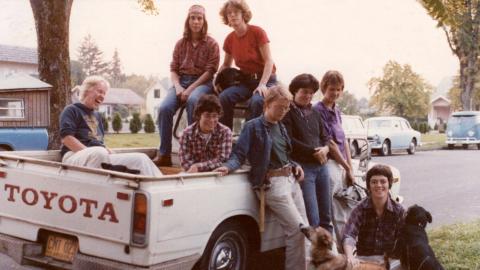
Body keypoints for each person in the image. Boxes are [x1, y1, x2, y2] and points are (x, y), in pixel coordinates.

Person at [215, 85, 309, 270]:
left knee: (305, 230)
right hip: (272, 185)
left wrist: (296, 166)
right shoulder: (252, 126)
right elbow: (239, 154)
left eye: (287, 107)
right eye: (280, 107)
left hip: (291, 180)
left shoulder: (281, 127)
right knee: (297, 231)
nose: (284, 111)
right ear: (267, 104)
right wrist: (227, 167)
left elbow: (284, 155)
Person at [153, 4, 220, 166]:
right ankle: (164, 154)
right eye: (193, 18)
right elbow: (174, 69)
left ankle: (193, 154)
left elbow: (210, 72)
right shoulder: (180, 43)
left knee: (193, 102)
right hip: (180, 82)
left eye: (199, 18)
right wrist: (178, 87)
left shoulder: (212, 44)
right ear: (188, 20)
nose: (196, 21)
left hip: (202, 83)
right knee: (164, 108)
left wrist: (190, 89)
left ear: (204, 21)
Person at [60, 76, 162, 176]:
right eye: (100, 91)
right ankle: (117, 172)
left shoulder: (97, 115)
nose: (103, 96)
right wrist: (93, 152)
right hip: (74, 156)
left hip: (99, 158)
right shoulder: (71, 110)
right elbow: (67, 139)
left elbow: (96, 140)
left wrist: (106, 150)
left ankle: (161, 186)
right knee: (99, 153)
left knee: (140, 158)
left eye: (104, 93)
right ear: (87, 90)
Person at [282, 74, 332, 234]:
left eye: (311, 93)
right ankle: (315, 256)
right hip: (305, 169)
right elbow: (289, 140)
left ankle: (330, 255)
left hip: (322, 167)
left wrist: (325, 148)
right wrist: (313, 152)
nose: (308, 96)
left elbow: (325, 136)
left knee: (326, 216)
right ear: (295, 91)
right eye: (304, 91)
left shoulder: (315, 112)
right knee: (312, 218)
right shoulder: (288, 112)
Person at [217, 0, 277, 129]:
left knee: (257, 101)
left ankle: (249, 140)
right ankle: (225, 138)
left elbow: (269, 61)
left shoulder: (257, 32)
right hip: (245, 81)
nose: (232, 15)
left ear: (243, 14)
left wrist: (262, 84)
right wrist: (216, 80)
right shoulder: (229, 39)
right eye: (229, 13)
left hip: (265, 79)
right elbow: (226, 65)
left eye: (236, 12)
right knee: (224, 97)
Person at [313, 70, 355, 244]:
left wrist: (350, 168)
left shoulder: (336, 110)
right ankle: (333, 250)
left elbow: (343, 140)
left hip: (341, 165)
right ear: (324, 88)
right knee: (329, 212)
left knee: (343, 211)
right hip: (329, 164)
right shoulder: (318, 109)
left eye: (339, 89)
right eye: (332, 89)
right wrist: (346, 167)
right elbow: (329, 143)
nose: (336, 93)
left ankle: (345, 247)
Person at [342, 164, 405, 269]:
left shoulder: (399, 211)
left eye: (383, 181)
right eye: (374, 182)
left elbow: (404, 239)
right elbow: (349, 235)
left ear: (389, 184)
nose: (378, 185)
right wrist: (349, 256)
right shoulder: (359, 209)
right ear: (368, 186)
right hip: (365, 259)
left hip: (390, 260)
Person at [179, 94, 232, 173]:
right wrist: (196, 169)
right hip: (192, 175)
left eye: (215, 116)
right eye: (207, 115)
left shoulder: (225, 132)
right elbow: (185, 161)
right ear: (199, 115)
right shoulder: (187, 133)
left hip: (216, 175)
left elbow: (223, 159)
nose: (211, 120)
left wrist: (198, 167)